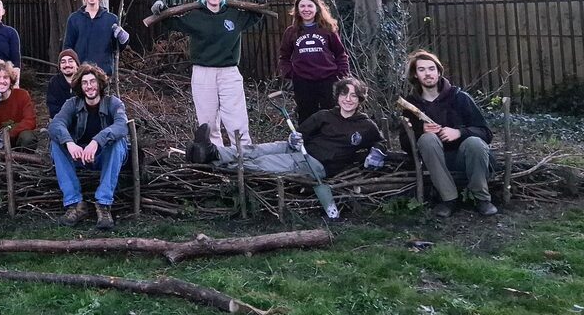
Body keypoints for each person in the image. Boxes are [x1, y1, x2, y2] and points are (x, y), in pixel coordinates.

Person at [187, 77, 386, 180]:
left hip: (314, 164)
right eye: (344, 94)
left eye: (353, 96)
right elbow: (300, 133)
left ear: (360, 99)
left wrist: (377, 152)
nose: (348, 99)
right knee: (255, 150)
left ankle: (212, 164)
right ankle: (213, 152)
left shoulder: (365, 125)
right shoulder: (325, 115)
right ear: (338, 96)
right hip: (297, 148)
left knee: (263, 162)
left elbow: (381, 142)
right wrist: (294, 139)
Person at [150, 0, 268, 147]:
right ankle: (215, 154)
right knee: (207, 119)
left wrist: (260, 1)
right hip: (203, 72)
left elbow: (255, 15)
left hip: (229, 72)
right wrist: (160, 10)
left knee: (236, 118)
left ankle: (244, 155)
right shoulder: (195, 16)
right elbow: (171, 21)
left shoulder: (234, 14)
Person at [402, 50, 497, 217]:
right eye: (421, 70)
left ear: (439, 72)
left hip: (464, 158)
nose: (427, 73)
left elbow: (486, 133)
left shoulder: (460, 98)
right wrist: (419, 131)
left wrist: (459, 132)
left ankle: (481, 198)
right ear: (415, 75)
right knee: (427, 139)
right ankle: (448, 200)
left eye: (431, 69)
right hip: (434, 161)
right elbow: (405, 144)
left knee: (475, 142)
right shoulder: (410, 105)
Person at [48, 63, 129, 230]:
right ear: (80, 85)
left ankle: (103, 204)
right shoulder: (72, 104)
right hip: (80, 156)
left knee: (119, 142)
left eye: (92, 81)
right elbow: (56, 124)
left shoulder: (113, 103)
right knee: (56, 143)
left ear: (99, 83)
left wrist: (97, 141)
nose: (89, 86)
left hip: (104, 156)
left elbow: (122, 126)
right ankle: (75, 204)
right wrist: (69, 143)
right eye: (85, 83)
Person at [278, 0, 350, 125]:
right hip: (303, 82)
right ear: (297, 10)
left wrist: (340, 75)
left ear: (317, 8)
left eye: (310, 6)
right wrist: (291, 73)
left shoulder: (327, 29)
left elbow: (341, 54)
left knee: (331, 116)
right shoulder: (291, 32)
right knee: (306, 117)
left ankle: (330, 143)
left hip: (328, 81)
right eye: (302, 6)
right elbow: (284, 57)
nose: (306, 9)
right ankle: (308, 144)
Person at [62, 0, 129, 76]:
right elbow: (68, 48)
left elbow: (117, 48)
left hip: (103, 75)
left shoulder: (111, 19)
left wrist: (124, 40)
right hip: (80, 74)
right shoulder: (74, 19)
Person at [46, 49, 79, 118]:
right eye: (63, 62)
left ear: (77, 65)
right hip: (62, 119)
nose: (67, 65)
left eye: (70, 61)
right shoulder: (54, 82)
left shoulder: (84, 80)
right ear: (60, 67)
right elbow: (53, 107)